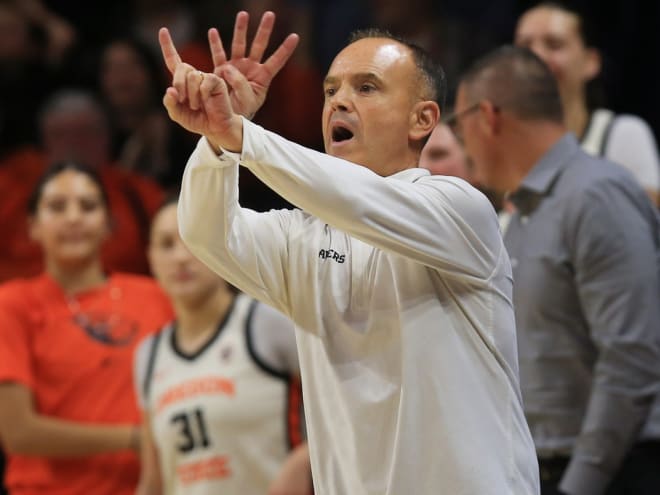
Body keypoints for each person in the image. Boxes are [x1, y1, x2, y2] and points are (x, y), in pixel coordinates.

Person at [159, 10, 539, 495]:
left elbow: (357, 199)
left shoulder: (462, 211)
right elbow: (206, 232)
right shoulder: (303, 237)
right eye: (330, 90)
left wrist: (241, 135)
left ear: (423, 119)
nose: (339, 101)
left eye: (366, 87)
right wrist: (216, 142)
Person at [448, 45, 660, 495]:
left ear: (487, 116)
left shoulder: (596, 194)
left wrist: (577, 485)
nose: (462, 145)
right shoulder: (522, 215)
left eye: (458, 123)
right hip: (549, 472)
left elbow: (633, 358)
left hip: (617, 473)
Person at [0, 161, 173, 494]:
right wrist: (135, 438)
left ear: (109, 224)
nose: (74, 217)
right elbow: (17, 431)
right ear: (32, 226)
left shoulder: (155, 296)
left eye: (88, 206)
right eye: (57, 207)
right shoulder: (13, 304)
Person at [134, 197, 311, 494]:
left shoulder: (266, 322)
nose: (180, 257)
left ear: (221, 244)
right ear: (150, 259)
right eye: (166, 244)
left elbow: (343, 408)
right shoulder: (148, 355)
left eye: (190, 239)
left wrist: (304, 460)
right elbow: (153, 483)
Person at [0, 89, 165, 282]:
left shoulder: (138, 192)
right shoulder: (11, 186)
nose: (74, 143)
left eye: (85, 132)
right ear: (45, 140)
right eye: (62, 134)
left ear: (106, 137)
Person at [514, 1, 660, 206]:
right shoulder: (505, 143)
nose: (536, 56)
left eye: (554, 44)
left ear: (591, 62)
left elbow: (638, 227)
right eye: (524, 46)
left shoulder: (622, 133)